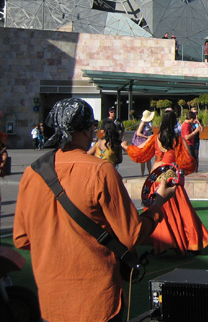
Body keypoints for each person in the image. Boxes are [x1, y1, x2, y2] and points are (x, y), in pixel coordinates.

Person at [14, 98, 176, 322]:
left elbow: (22, 239)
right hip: (97, 300)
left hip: (51, 301)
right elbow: (132, 235)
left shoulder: (32, 174)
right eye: (92, 125)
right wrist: (157, 204)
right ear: (86, 130)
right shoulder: (101, 171)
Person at [126, 110, 208, 255]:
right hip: (171, 178)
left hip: (156, 178)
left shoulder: (155, 138)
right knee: (182, 211)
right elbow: (188, 161)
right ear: (174, 122)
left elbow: (140, 151)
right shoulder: (178, 140)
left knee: (156, 210)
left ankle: (161, 243)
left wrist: (126, 147)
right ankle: (186, 242)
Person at [133, 110, 155, 176]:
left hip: (148, 142)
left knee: (149, 159)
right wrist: (147, 137)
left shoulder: (149, 123)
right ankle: (142, 174)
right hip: (143, 142)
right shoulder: (142, 123)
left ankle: (150, 173)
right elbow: (138, 133)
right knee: (143, 160)